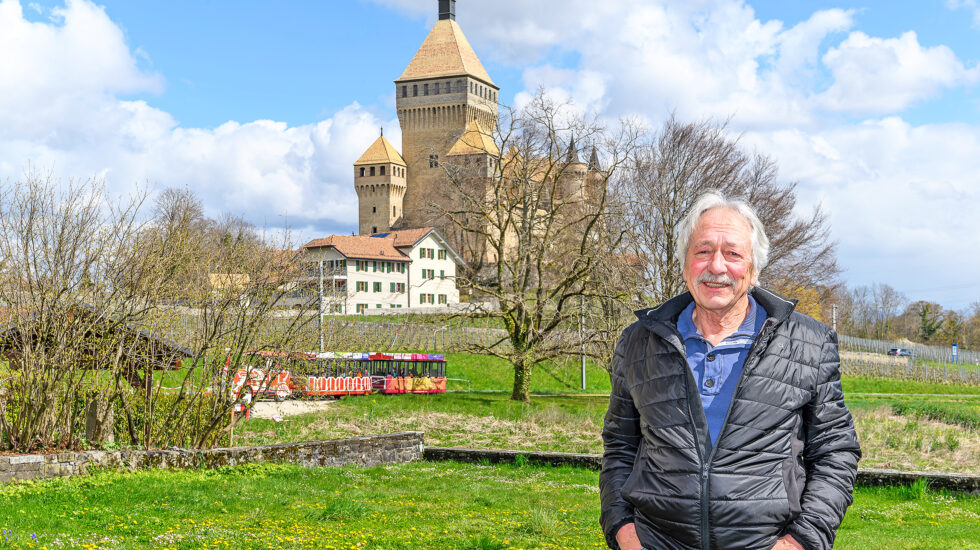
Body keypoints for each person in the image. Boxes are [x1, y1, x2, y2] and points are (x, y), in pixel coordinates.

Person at [599, 191, 860, 550]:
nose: (717, 267)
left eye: (733, 254)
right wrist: (623, 530)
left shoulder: (808, 343)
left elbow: (835, 451)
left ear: (753, 269)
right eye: (703, 251)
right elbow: (620, 446)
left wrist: (801, 541)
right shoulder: (639, 342)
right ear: (684, 263)